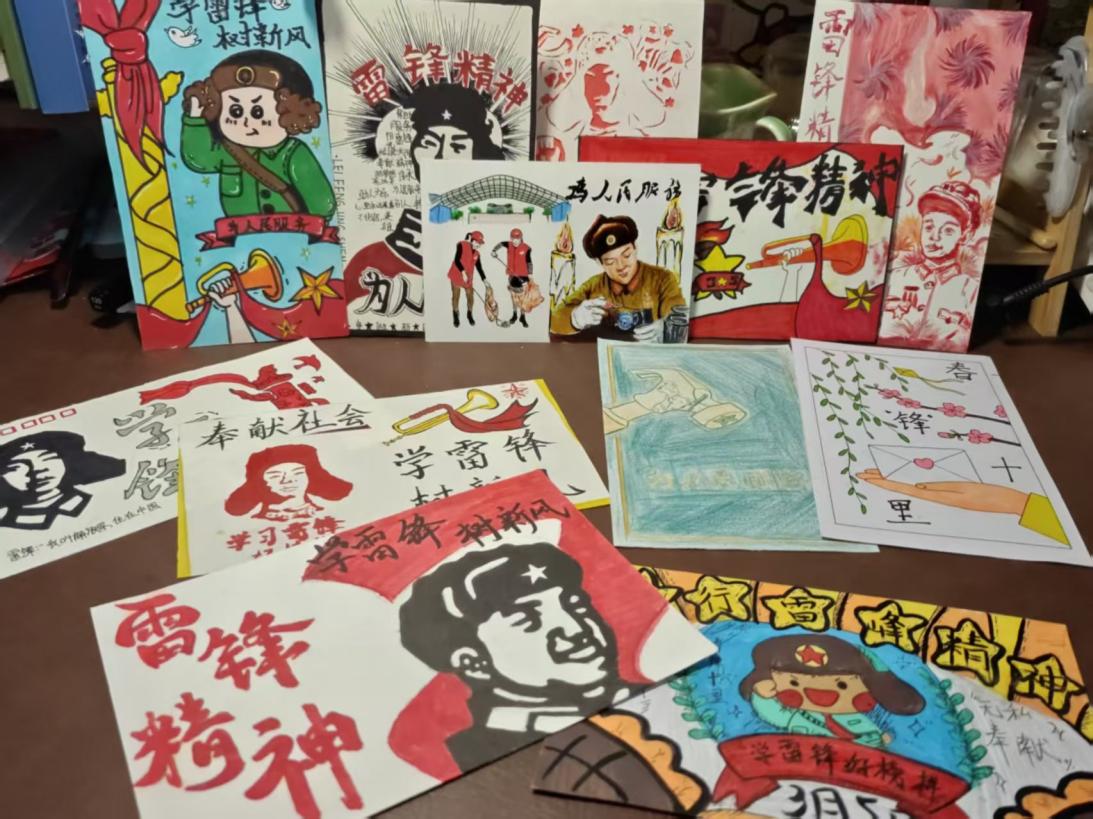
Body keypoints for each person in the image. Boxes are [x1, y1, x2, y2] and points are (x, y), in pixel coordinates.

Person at [399, 542, 633, 772]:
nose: (576, 630)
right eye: (527, 620)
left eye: (577, 606)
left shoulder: (640, 696)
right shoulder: (477, 755)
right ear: (473, 662)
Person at [181, 49, 336, 219]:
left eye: (257, 112)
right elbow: (198, 159)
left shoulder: (293, 153)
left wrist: (316, 226)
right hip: (240, 232)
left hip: (292, 231)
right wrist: (195, 117)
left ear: (290, 111)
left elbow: (322, 202)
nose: (246, 122)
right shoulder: (228, 151)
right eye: (235, 111)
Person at [740, 634, 924, 748]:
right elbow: (773, 714)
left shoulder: (852, 718)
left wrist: (878, 736)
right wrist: (762, 696)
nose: (819, 693)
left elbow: (862, 725)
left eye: (842, 685)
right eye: (794, 683)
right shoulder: (797, 717)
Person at [882, 181, 982, 350]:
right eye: (928, 227)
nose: (934, 237)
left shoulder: (969, 290)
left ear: (965, 236)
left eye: (948, 230)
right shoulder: (895, 277)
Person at [550, 215, 685, 340]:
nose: (621, 266)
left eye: (626, 255)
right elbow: (554, 320)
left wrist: (668, 328)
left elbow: (681, 314)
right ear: (600, 263)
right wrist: (575, 319)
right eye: (610, 261)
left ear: (635, 248)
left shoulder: (662, 279)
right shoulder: (593, 286)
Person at [0, 432, 126, 530]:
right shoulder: (5, 515)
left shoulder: (102, 500)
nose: (37, 470)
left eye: (46, 459)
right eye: (16, 468)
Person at [224, 444, 352, 522]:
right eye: (275, 476)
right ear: (262, 482)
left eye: (298, 473)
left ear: (309, 477)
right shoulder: (255, 521)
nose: (288, 480)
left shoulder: (330, 513)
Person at [491, 228, 534, 328]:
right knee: (514, 297)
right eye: (513, 238)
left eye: (517, 239)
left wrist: (530, 274)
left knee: (522, 298)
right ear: (511, 238)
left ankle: (522, 316)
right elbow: (501, 244)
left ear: (521, 238)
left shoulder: (526, 248)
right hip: (512, 276)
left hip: (523, 277)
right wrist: (494, 250)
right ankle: (514, 315)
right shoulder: (508, 244)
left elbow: (529, 262)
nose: (515, 241)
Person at [448, 231, 488, 328]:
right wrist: (462, 272)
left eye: (480, 243)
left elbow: (479, 268)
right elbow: (457, 260)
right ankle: (455, 314)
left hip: (468, 278)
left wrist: (484, 280)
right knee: (456, 296)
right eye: (477, 242)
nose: (478, 245)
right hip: (457, 274)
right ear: (472, 240)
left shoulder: (477, 254)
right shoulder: (462, 245)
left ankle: (469, 313)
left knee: (470, 297)